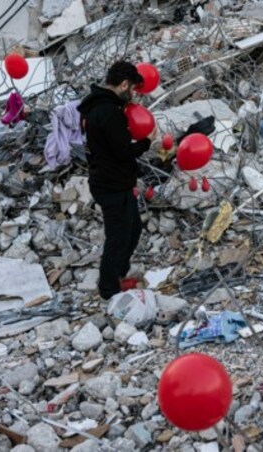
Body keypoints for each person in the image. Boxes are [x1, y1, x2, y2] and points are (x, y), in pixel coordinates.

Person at [78, 61, 156, 300]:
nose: (131, 94)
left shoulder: (98, 106)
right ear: (123, 84)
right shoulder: (109, 112)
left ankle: (118, 275)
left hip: (112, 181)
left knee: (132, 230)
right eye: (131, 88)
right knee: (119, 237)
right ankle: (109, 288)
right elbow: (123, 151)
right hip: (111, 184)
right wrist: (146, 142)